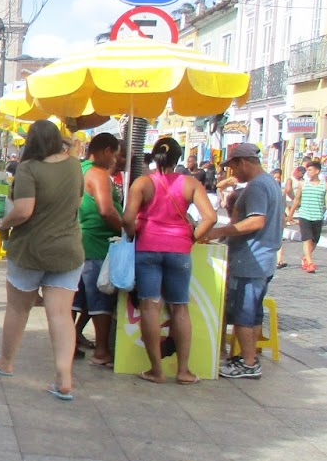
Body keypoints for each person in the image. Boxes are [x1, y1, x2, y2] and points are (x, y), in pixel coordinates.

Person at [0, 120, 84, 401]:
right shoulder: (74, 165)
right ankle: (64, 377)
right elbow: (76, 202)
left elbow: (23, 210)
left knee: (18, 309)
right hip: (68, 250)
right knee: (60, 314)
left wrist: (2, 224)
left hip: (30, 249)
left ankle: (6, 361)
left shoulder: (29, 168)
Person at [121, 137, 216, 385]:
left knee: (150, 306)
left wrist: (134, 234)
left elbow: (127, 218)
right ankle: (184, 371)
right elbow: (210, 217)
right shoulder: (191, 183)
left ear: (154, 157)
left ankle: (156, 370)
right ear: (178, 159)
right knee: (179, 307)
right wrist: (190, 238)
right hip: (179, 251)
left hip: (148, 248)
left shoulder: (142, 183)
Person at [207, 143, 283, 380]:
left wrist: (221, 232)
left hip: (251, 260)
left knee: (244, 314)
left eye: (233, 167)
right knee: (253, 313)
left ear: (243, 162)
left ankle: (249, 363)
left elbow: (256, 221)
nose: (232, 174)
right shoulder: (269, 182)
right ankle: (248, 358)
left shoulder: (257, 187)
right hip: (263, 258)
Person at [73, 134, 124, 367]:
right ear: (105, 151)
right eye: (114, 155)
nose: (115, 160)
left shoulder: (78, 169)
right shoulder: (98, 174)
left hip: (78, 240)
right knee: (100, 300)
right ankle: (102, 350)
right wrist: (127, 229)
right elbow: (106, 210)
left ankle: (71, 342)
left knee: (77, 299)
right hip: (97, 243)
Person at [289, 159, 325, 272]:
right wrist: (290, 214)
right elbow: (297, 200)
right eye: (307, 170)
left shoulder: (324, 186)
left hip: (318, 216)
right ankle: (310, 263)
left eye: (310, 170)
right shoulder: (303, 184)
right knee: (307, 239)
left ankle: (305, 257)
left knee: (315, 240)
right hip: (304, 215)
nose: (308, 172)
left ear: (317, 171)